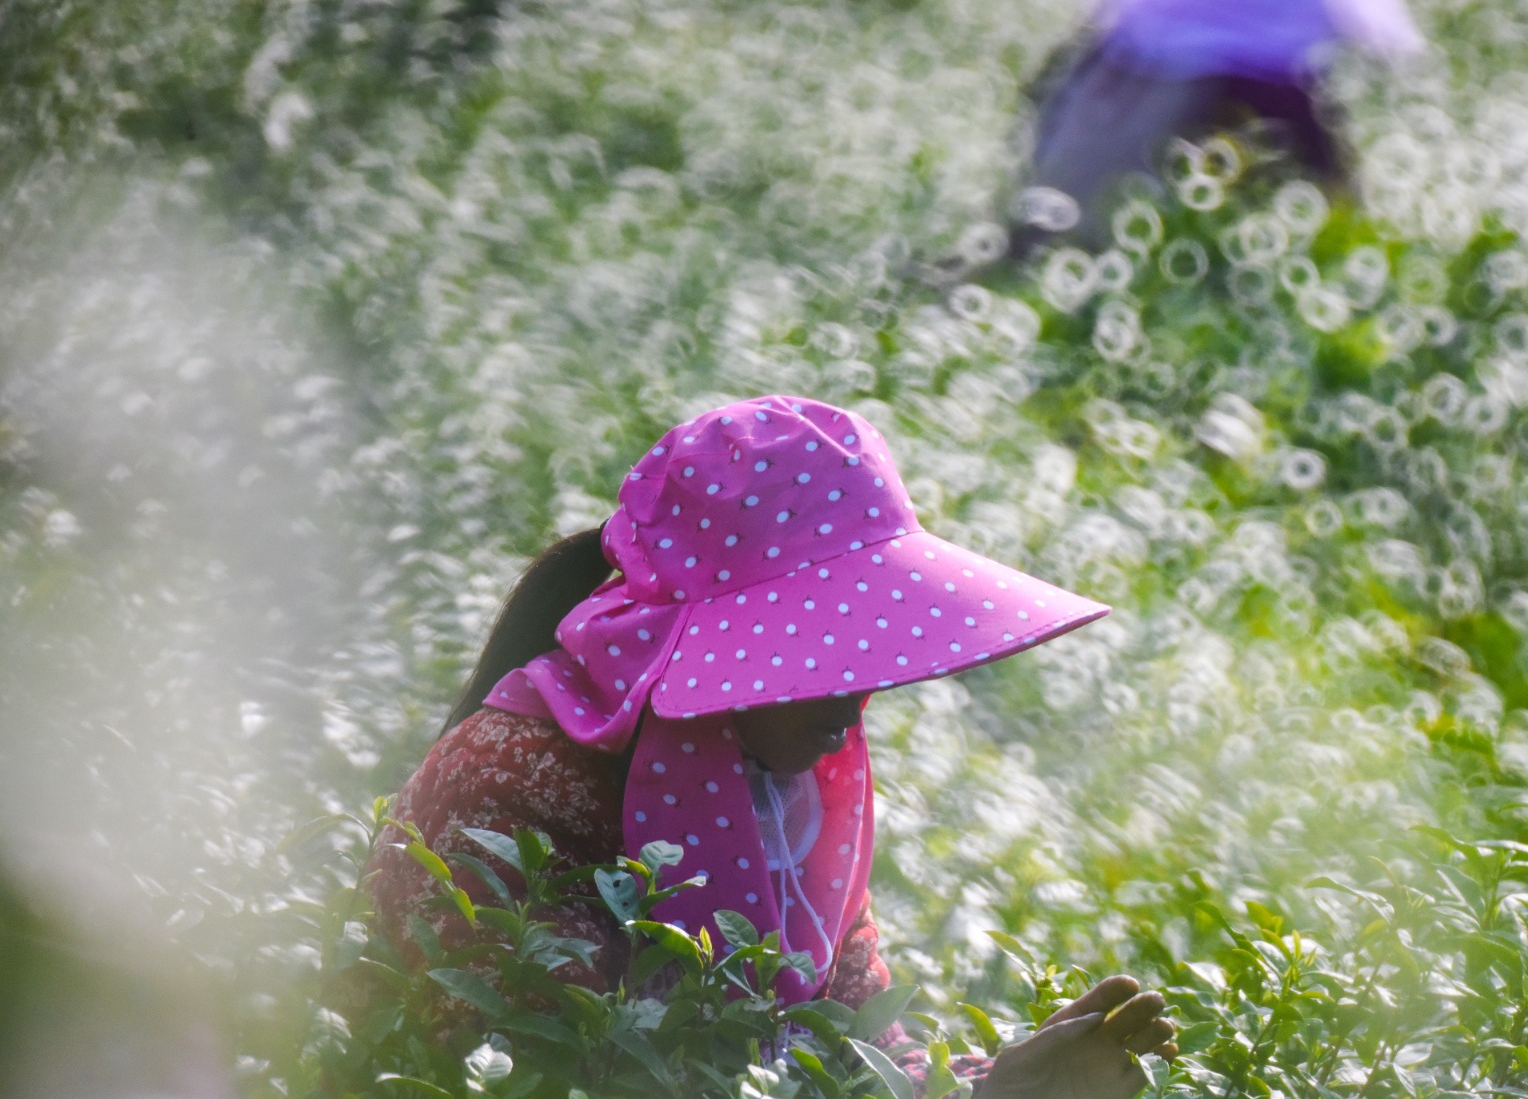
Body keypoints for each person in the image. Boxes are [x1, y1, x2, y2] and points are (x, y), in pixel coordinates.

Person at [369, 395, 1176, 1096]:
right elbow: (551, 1075)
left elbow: (847, 1055)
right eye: (822, 654)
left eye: (868, 651)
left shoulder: (785, 792)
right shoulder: (514, 781)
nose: (854, 697)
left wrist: (989, 1084)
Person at [1012, 0, 1423, 252]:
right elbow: (1338, 205)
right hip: (1202, 194)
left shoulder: (1134, 34)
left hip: (1118, 146)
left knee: (1066, 227)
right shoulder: (1277, 74)